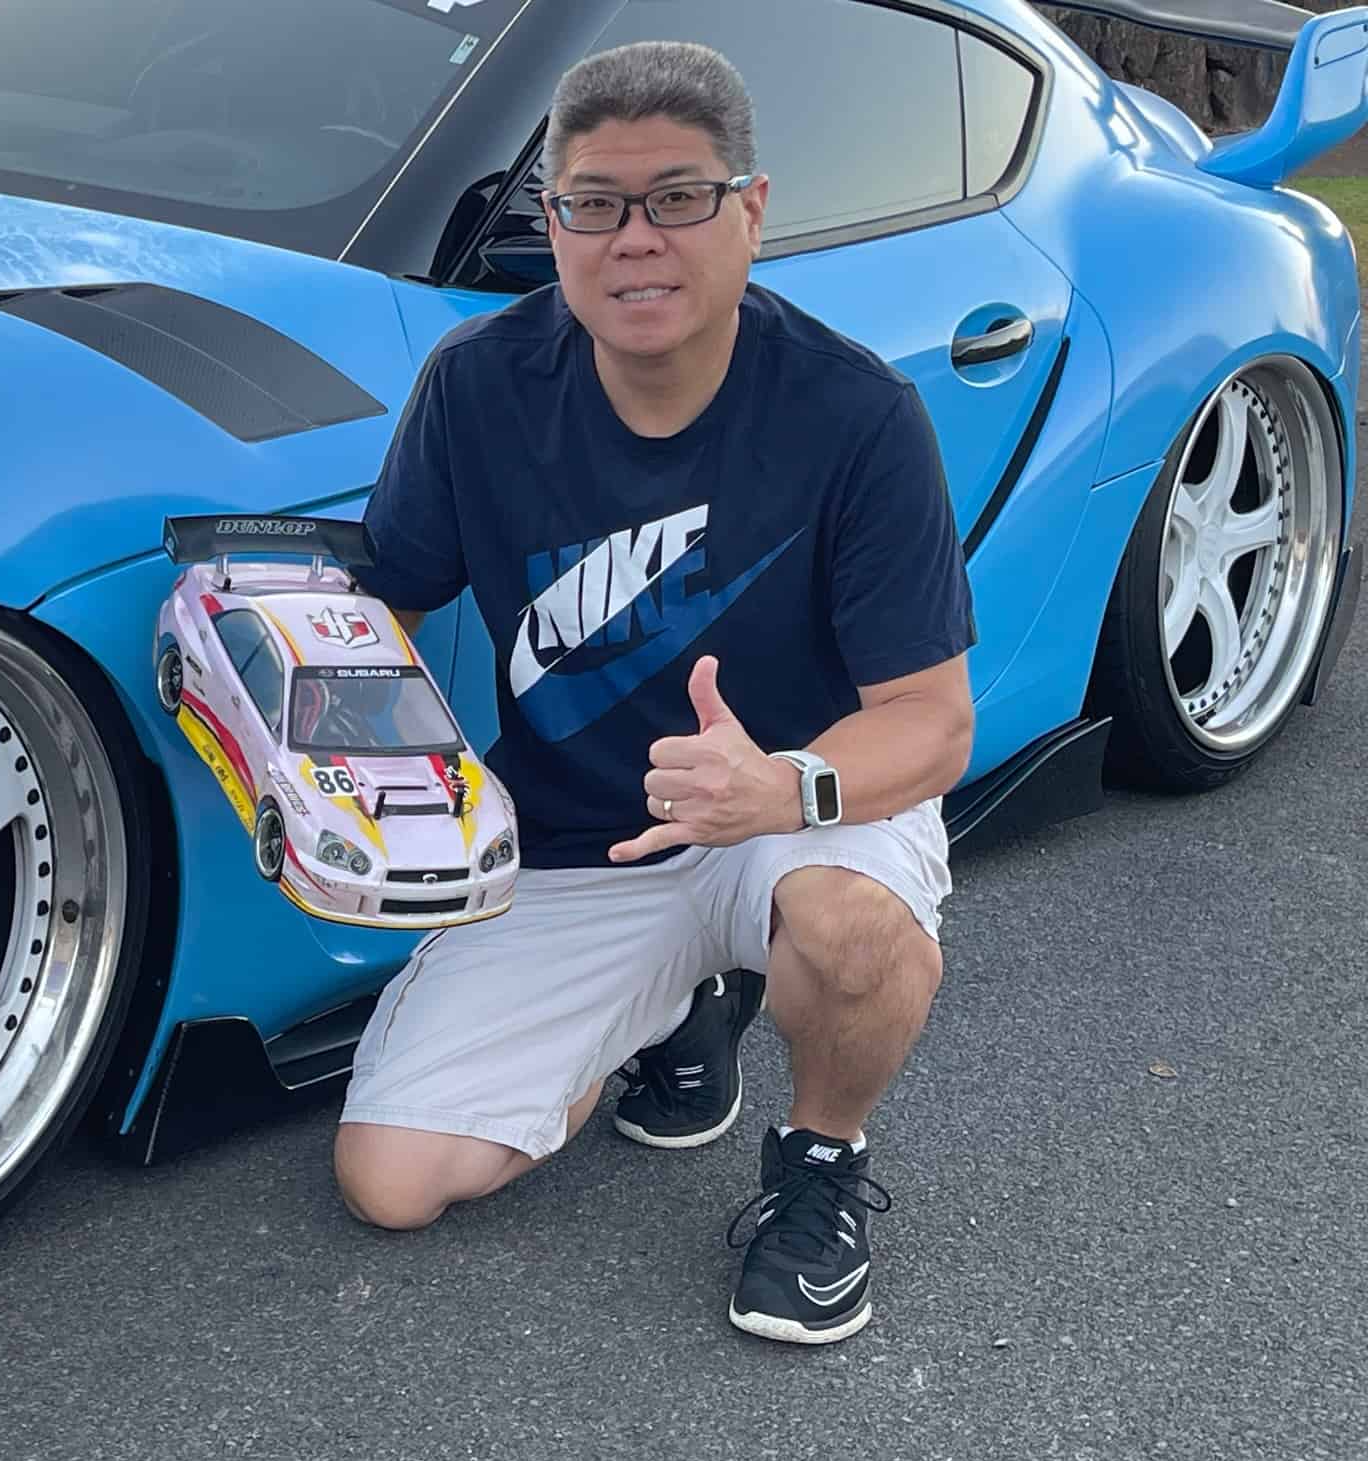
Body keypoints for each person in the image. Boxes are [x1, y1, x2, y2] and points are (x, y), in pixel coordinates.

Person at [332, 38, 976, 1346]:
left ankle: (821, 1167)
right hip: (580, 839)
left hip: (792, 812)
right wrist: (320, 741)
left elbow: (932, 718)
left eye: (678, 198)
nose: (636, 240)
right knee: (391, 1182)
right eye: (594, 203)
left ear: (749, 212)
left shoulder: (856, 415)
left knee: (853, 938)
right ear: (554, 224)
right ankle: (676, 1001)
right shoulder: (476, 388)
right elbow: (386, 596)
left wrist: (785, 785)